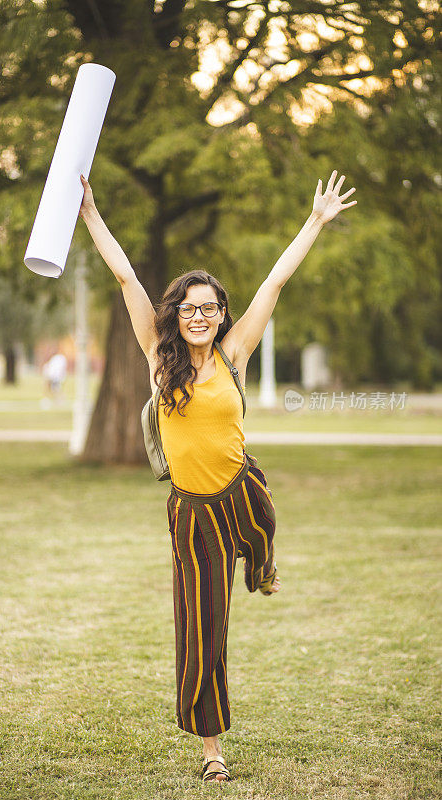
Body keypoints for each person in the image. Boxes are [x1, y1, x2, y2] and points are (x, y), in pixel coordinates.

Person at [78, 169, 356, 781]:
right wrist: (91, 215)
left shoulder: (235, 355)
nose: (198, 316)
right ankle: (212, 751)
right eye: (189, 308)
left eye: (210, 308)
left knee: (263, 529)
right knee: (204, 628)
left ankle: (260, 564)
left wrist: (314, 221)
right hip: (194, 514)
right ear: (175, 314)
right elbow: (126, 276)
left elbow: (276, 281)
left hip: (244, 492)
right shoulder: (158, 355)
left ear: (222, 314)